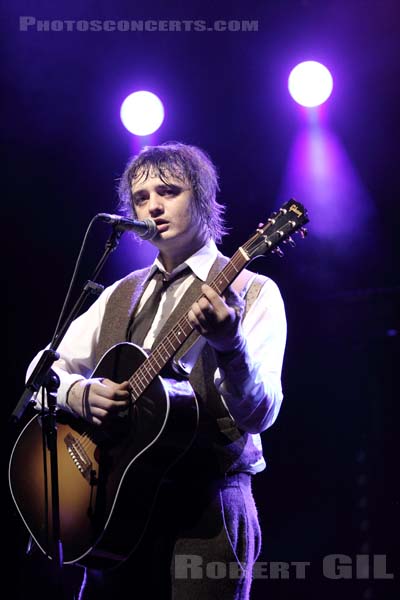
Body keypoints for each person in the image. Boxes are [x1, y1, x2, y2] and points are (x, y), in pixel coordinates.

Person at [26, 141, 287, 599]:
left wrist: (231, 346)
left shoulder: (253, 290)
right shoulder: (119, 293)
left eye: (169, 191)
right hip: (112, 507)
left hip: (205, 510)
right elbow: (41, 369)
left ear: (203, 200)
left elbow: (260, 414)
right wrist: (79, 394)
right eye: (141, 198)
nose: (152, 206)